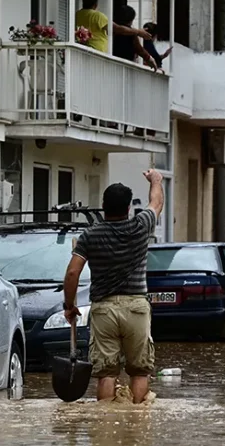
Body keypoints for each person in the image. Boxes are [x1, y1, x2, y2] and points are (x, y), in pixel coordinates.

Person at [62, 170, 164, 404]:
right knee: (139, 370)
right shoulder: (141, 227)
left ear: (103, 206)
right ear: (129, 208)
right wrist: (156, 180)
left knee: (106, 373)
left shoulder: (90, 235)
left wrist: (70, 306)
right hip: (136, 308)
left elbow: (72, 272)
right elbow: (156, 202)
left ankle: (106, 426)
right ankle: (138, 423)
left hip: (104, 310)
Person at [75, 0, 151, 53]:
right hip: (96, 54)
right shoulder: (98, 16)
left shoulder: (76, 15)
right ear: (96, 3)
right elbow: (118, 29)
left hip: (81, 52)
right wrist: (138, 32)